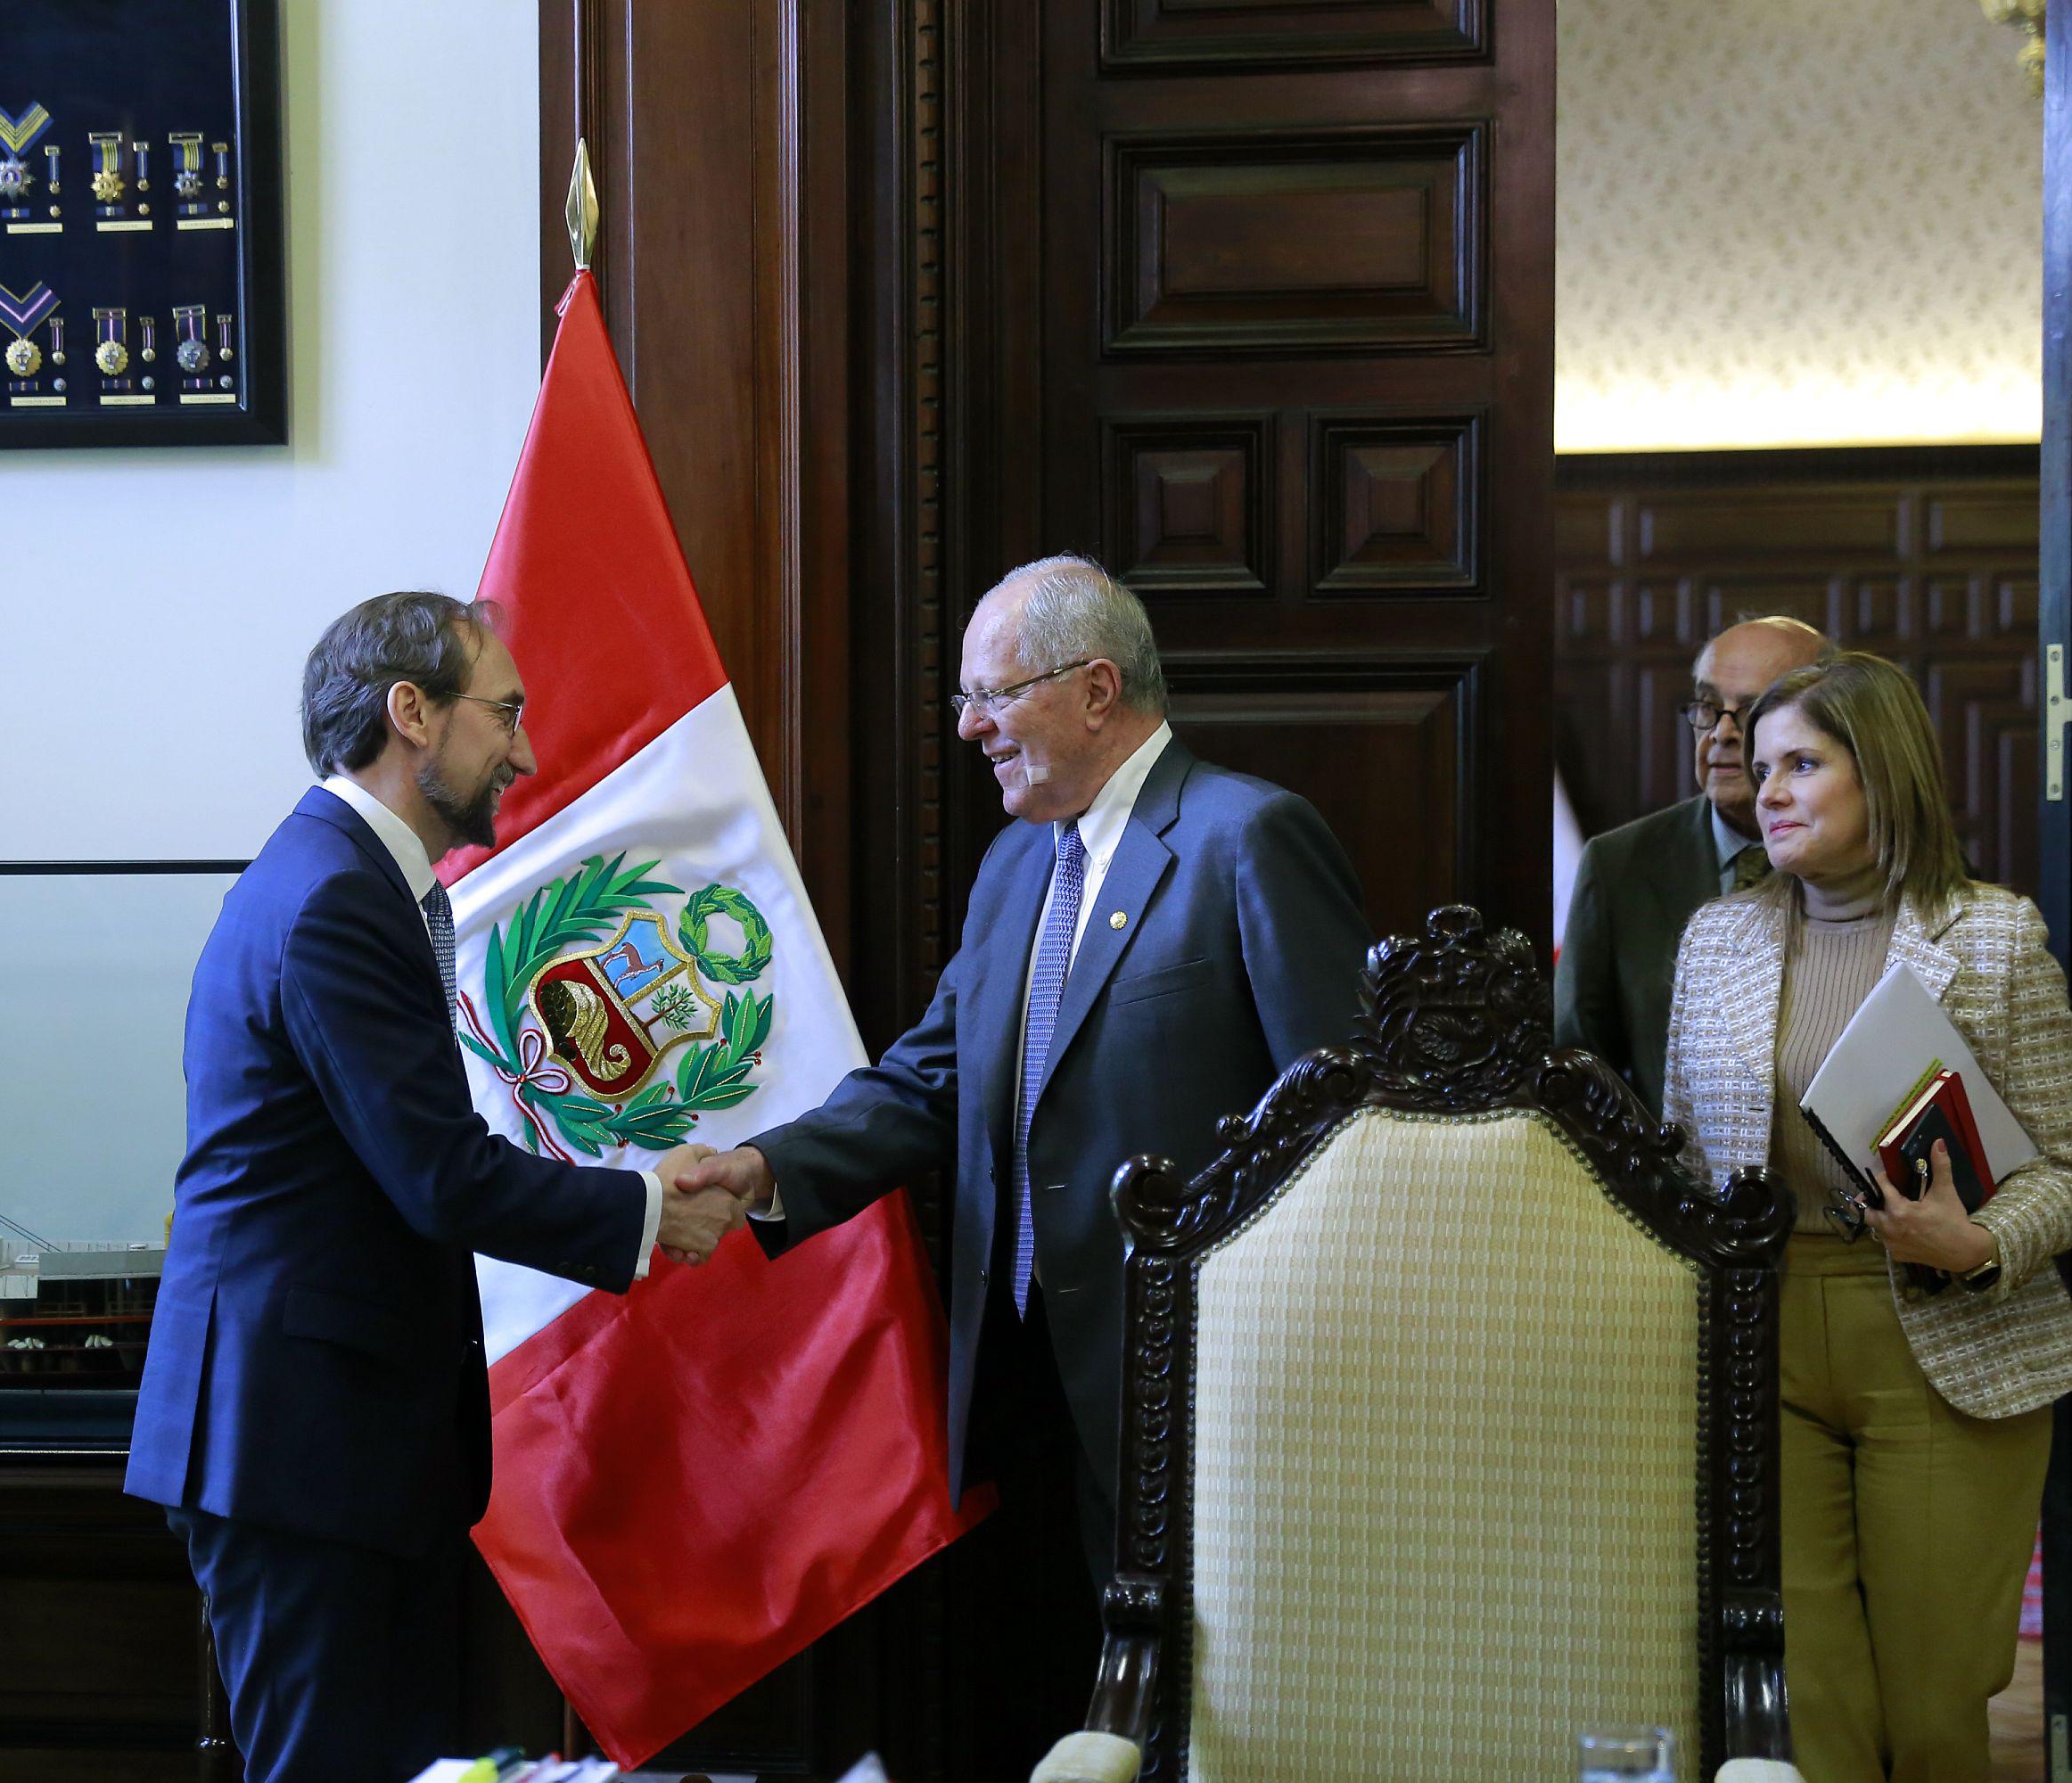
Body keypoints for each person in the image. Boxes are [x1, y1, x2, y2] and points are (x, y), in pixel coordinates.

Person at [679, 555, 1370, 1773]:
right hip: (1017, 1378)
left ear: (1097, 688)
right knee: (1055, 1700)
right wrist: (760, 1172)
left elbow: (1337, 1120)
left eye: (992, 695)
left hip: (1201, 1380)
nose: (969, 728)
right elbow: (937, 1076)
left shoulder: (1243, 836)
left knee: (1203, 1713)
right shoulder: (1015, 867)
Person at [127, 591, 741, 1783]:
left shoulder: (341, 876)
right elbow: (438, 1176)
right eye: (502, 713)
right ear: (411, 714)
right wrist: (653, 1212)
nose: (523, 749)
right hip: (299, 1450)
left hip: (323, 1444)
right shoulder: (333, 897)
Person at [1659, 653, 2072, 1783]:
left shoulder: (1994, 937)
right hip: (1764, 1340)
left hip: (1944, 1335)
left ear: (1884, 773)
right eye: (1761, 768)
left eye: (1803, 762)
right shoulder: (1716, 940)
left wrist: (1983, 1242)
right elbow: (1679, 1164)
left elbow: (2068, 1170)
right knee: (1809, 1698)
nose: (1769, 790)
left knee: (1934, 1703)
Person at [1557, 616, 1835, 1109]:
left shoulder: (1888, 858)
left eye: (1753, 710)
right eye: (1709, 708)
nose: (1722, 733)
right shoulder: (1618, 865)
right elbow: (1578, 1068)